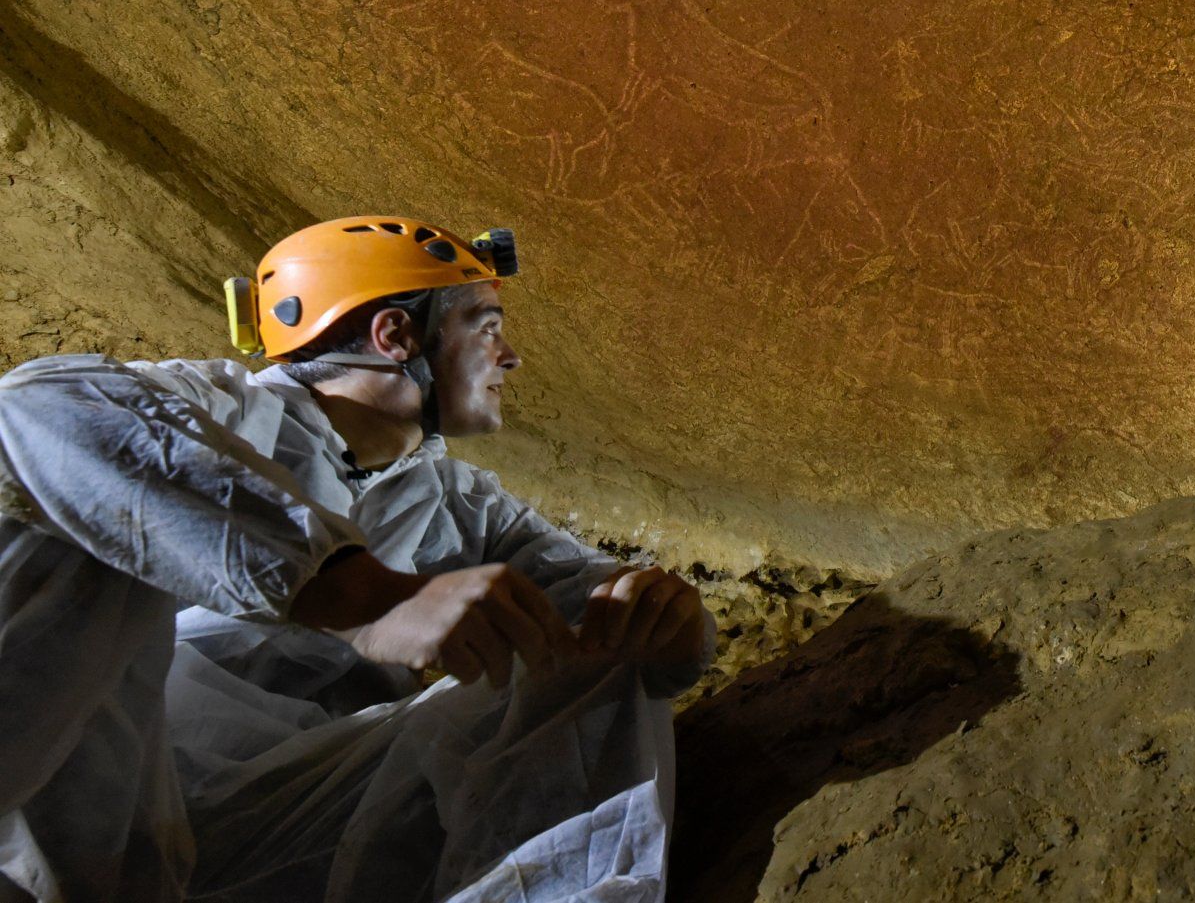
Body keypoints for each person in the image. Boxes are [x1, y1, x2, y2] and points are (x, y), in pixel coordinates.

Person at [0, 216, 713, 902]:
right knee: (61, 504)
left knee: (602, 658)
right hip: (94, 798)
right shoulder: (221, 407)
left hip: (279, 830)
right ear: (396, 333)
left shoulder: (463, 505)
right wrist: (358, 594)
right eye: (488, 329)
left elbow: (592, 594)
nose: (510, 358)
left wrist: (666, 621)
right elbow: (25, 408)